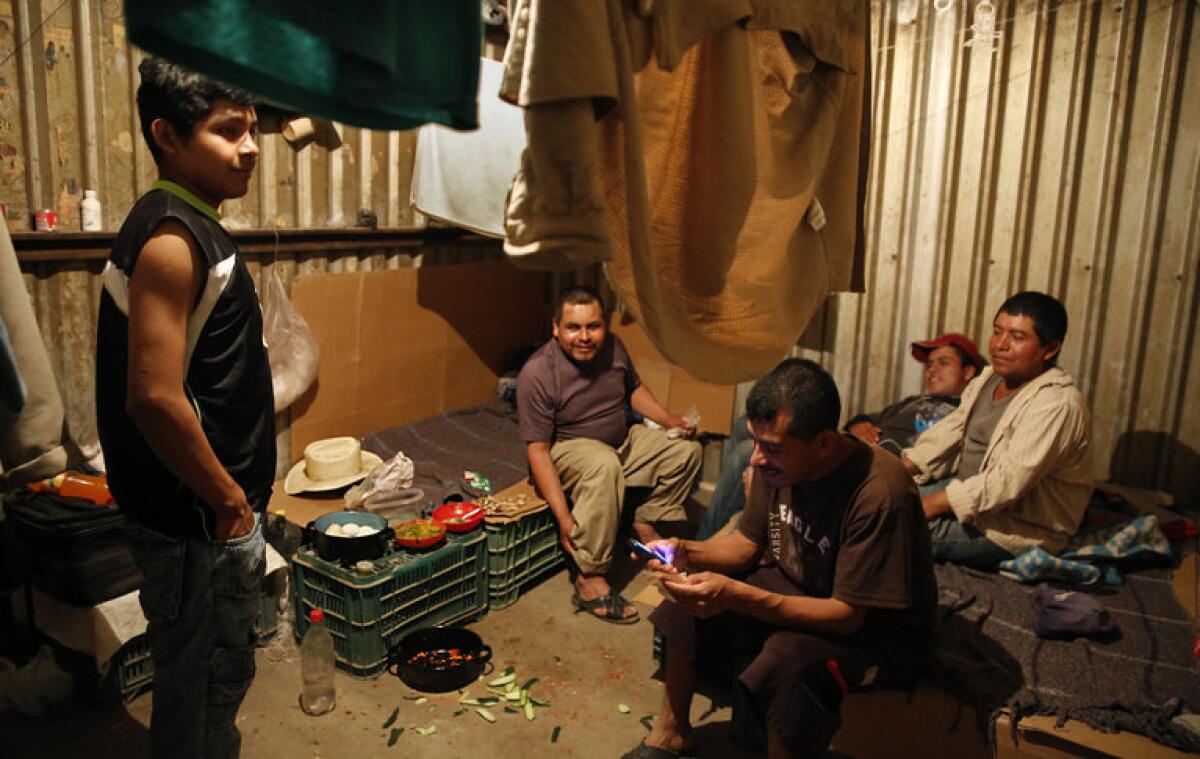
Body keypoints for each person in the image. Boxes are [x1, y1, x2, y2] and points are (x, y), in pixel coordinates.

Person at [95, 58, 272, 759]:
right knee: (200, 690)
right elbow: (155, 399)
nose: (250, 146)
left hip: (200, 517)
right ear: (166, 135)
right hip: (198, 523)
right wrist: (231, 503)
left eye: (252, 128)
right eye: (228, 131)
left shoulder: (189, 225)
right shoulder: (172, 239)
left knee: (203, 685)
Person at [627, 359, 936, 759]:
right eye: (755, 441)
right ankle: (671, 734)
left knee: (788, 659)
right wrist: (687, 552)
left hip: (871, 626)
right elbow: (746, 543)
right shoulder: (774, 468)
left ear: (824, 444)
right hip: (799, 583)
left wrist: (737, 596)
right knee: (687, 604)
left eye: (772, 448)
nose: (755, 458)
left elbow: (847, 614)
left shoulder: (879, 493)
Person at [517, 286, 701, 624]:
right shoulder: (538, 373)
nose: (584, 337)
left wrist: (667, 420)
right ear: (556, 328)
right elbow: (538, 452)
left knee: (685, 451)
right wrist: (562, 517)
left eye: (593, 326)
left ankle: (643, 521)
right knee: (604, 465)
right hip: (570, 449)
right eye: (574, 327)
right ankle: (589, 577)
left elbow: (633, 389)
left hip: (621, 442)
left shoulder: (614, 347)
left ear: (605, 326)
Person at [695, 332, 984, 540]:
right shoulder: (912, 402)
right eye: (929, 364)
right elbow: (869, 418)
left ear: (969, 372)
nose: (931, 370)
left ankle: (708, 538)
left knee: (746, 455)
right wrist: (859, 425)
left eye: (943, 362)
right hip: (854, 445)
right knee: (745, 424)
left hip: (877, 464)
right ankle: (742, 512)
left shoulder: (963, 413)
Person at [903, 292, 1092, 569]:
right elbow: (953, 430)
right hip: (968, 492)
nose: (1000, 345)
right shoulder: (990, 378)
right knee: (886, 499)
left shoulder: (1056, 404)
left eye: (1017, 337)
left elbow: (1006, 482)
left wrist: (930, 505)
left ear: (1049, 349)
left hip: (1013, 525)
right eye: (996, 332)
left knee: (897, 531)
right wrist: (903, 468)